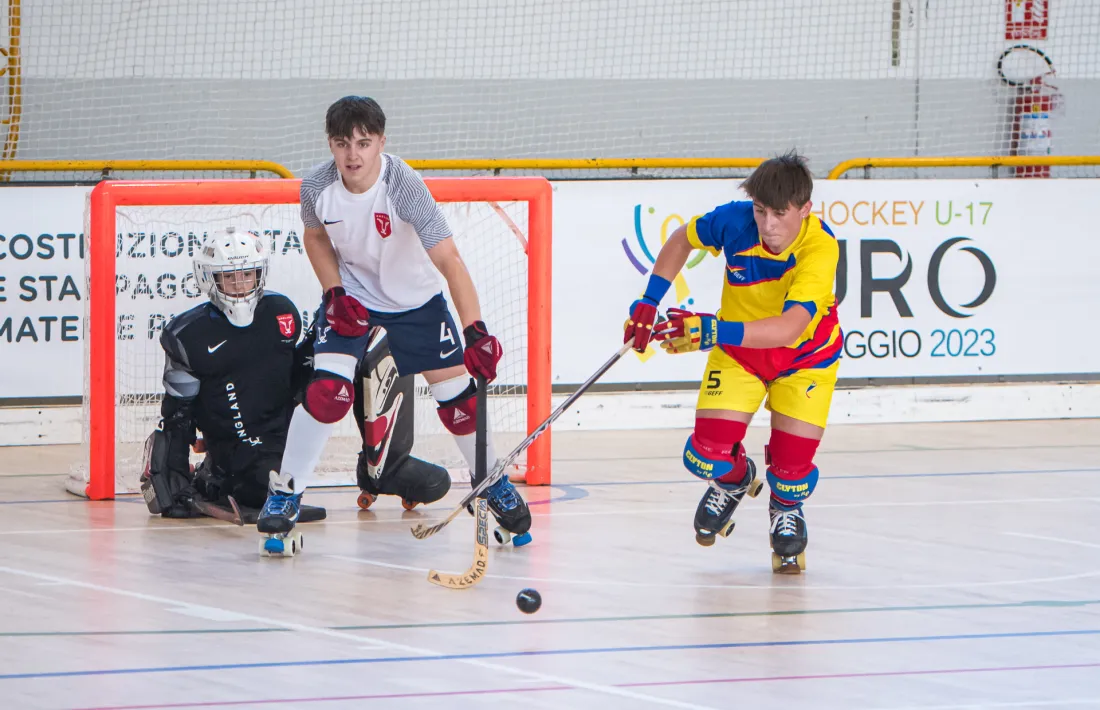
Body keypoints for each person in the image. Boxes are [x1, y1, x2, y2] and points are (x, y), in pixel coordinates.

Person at [257, 95, 531, 549]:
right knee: (327, 394)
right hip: (354, 301)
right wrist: (334, 293)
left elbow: (450, 260)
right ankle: (284, 494)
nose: (353, 156)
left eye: (364, 143)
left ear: (382, 142)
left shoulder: (404, 185)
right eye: (343, 144)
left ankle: (491, 481)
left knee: (459, 401)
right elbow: (316, 236)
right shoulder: (317, 187)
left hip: (415, 302)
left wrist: (475, 331)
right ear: (330, 144)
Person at [623, 152, 841, 574]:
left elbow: (791, 328)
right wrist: (649, 301)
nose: (769, 225)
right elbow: (682, 239)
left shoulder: (819, 248)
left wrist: (713, 331)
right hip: (741, 355)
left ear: (806, 210)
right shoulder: (734, 221)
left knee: (792, 471)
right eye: (761, 212)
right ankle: (734, 478)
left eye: (780, 214)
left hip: (805, 359)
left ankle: (785, 505)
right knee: (703, 455)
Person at [141, 227, 325, 524]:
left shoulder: (282, 312)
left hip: (280, 438)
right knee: (260, 487)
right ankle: (213, 477)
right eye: (229, 276)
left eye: (247, 274)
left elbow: (296, 378)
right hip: (231, 447)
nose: (240, 284)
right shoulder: (189, 334)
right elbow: (177, 413)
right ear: (208, 278)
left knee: (279, 479)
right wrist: (173, 476)